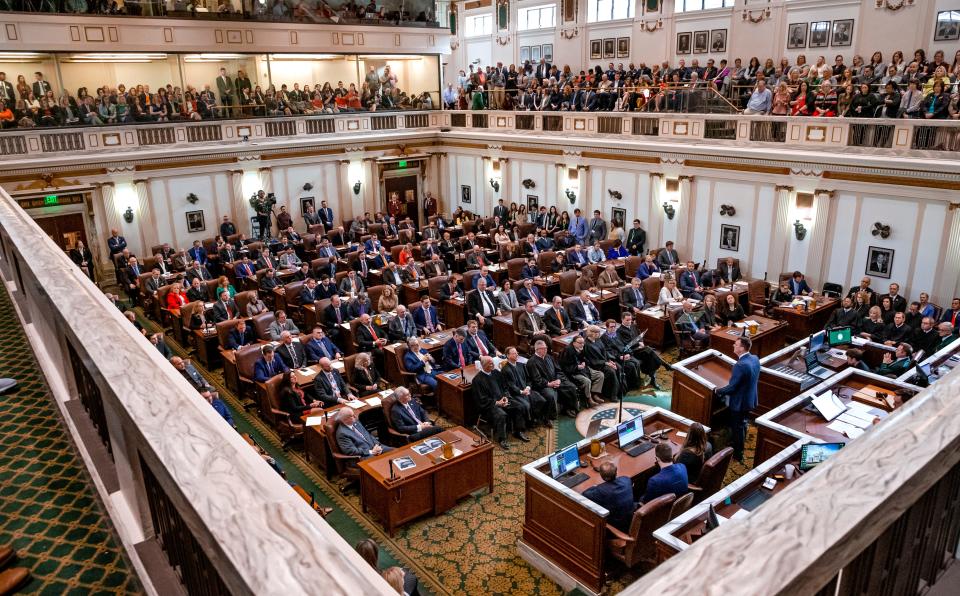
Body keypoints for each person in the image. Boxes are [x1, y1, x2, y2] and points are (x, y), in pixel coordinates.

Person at [715, 337, 760, 463]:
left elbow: (732, 387)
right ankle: (741, 444)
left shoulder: (740, 365)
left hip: (740, 403)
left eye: (735, 344)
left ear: (741, 348)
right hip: (750, 398)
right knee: (743, 423)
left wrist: (717, 391)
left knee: (738, 427)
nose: (733, 346)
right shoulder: (755, 358)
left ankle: (738, 454)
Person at [471, 356, 530, 450]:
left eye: (492, 362)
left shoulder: (496, 373)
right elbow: (481, 399)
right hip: (490, 406)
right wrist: (497, 403)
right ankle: (502, 439)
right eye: (490, 363)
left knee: (519, 406)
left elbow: (505, 387)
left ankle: (518, 431)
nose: (493, 364)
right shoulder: (477, 380)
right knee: (501, 415)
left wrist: (506, 397)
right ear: (483, 365)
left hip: (503, 400)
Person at [502, 345, 554, 427]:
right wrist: (522, 391)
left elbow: (529, 379)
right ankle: (529, 422)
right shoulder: (505, 370)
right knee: (526, 405)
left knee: (541, 400)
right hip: (516, 393)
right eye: (514, 353)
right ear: (508, 355)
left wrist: (528, 387)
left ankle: (537, 418)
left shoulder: (521, 365)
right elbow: (510, 385)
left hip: (527, 390)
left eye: (517, 353)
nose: (517, 355)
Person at [582, 462, 636, 533]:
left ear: (601, 476)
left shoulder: (600, 490)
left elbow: (585, 494)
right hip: (630, 518)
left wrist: (595, 486)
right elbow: (620, 479)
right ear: (616, 472)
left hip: (616, 525)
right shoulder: (626, 480)